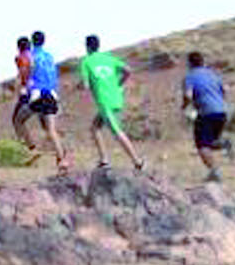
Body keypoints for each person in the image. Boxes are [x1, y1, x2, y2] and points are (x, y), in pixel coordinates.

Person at [79, 34, 144, 171]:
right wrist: (119, 83)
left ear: (87, 47)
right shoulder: (109, 58)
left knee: (116, 131)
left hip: (104, 101)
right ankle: (104, 160)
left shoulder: (87, 61)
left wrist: (78, 86)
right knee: (95, 128)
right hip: (116, 97)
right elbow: (128, 70)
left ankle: (137, 161)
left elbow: (85, 85)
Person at [23, 31, 71, 171]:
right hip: (51, 93)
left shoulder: (31, 55)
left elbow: (29, 71)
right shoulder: (49, 56)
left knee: (19, 120)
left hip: (39, 93)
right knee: (48, 128)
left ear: (32, 41)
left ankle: (36, 150)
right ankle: (60, 154)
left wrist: (27, 86)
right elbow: (53, 74)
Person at [180, 51, 229, 182]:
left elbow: (188, 95)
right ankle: (223, 143)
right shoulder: (213, 74)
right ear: (203, 61)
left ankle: (214, 172)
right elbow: (225, 90)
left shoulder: (190, 76)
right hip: (222, 111)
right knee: (211, 141)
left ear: (189, 63)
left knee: (202, 145)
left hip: (206, 113)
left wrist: (184, 106)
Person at [10, 36, 41, 155]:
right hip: (40, 89)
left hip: (28, 91)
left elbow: (23, 73)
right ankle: (30, 146)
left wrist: (22, 86)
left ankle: (28, 148)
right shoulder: (35, 56)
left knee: (17, 120)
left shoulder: (21, 57)